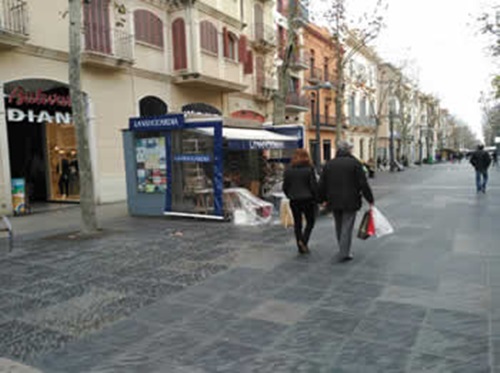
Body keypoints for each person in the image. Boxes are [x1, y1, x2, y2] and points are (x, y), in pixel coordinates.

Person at [319, 141, 374, 262]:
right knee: (347, 226)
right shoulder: (355, 164)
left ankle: (342, 249)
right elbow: (363, 183)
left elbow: (322, 183)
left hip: (333, 200)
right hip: (351, 200)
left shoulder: (329, 164)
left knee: (339, 225)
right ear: (348, 150)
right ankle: (344, 252)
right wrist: (370, 199)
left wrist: (322, 199)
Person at [283, 149, 318, 254]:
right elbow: (313, 186)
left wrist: (289, 195)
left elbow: (285, 186)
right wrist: (317, 198)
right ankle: (304, 241)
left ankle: (300, 245)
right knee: (310, 222)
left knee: (298, 224)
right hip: (308, 199)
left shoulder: (288, 170)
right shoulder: (309, 169)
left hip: (294, 200)